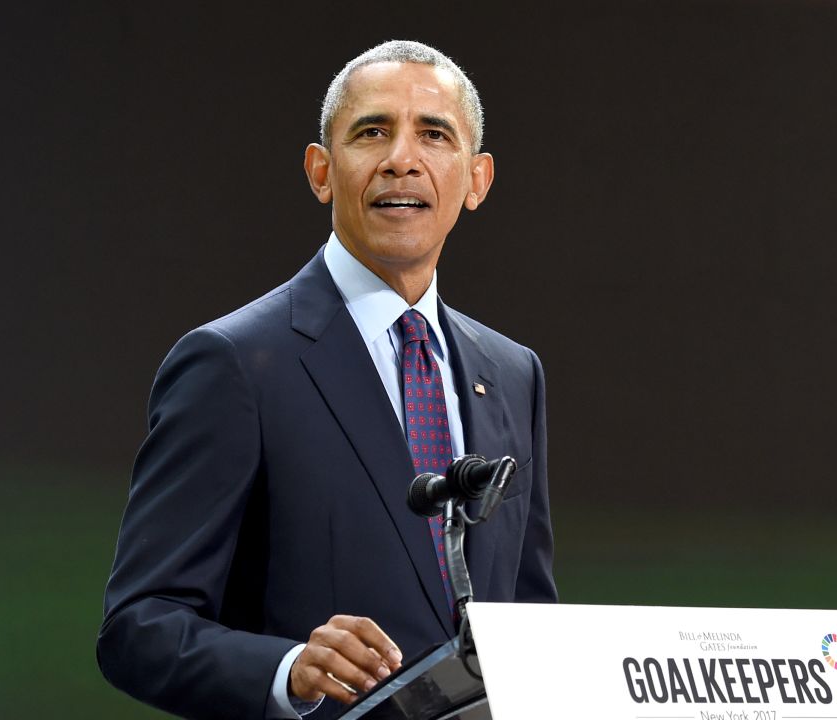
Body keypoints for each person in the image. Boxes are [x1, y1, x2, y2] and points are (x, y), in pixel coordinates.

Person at [97, 40, 556, 720]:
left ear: (477, 178)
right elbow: (140, 625)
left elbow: (529, 623)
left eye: (434, 134)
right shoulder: (234, 363)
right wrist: (285, 670)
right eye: (371, 132)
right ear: (321, 171)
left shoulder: (512, 372)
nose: (402, 158)